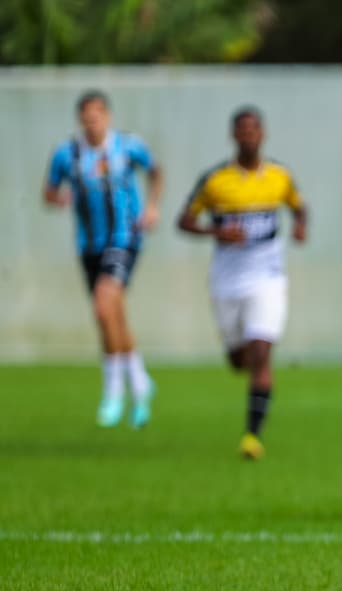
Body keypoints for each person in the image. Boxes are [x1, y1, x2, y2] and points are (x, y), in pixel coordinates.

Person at [179, 107, 307, 460]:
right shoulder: (216, 180)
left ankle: (252, 435)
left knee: (262, 351)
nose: (249, 135)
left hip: (267, 277)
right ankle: (254, 378)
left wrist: (299, 226)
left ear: (262, 134)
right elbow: (183, 220)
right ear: (233, 136)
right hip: (226, 280)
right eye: (242, 130)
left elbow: (299, 206)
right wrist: (217, 231)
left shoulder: (279, 176)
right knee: (240, 359)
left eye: (254, 129)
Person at [44, 90, 161, 429]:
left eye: (97, 114)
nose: (91, 120)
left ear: (107, 116)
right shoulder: (68, 154)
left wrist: (152, 206)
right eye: (86, 115)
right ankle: (140, 382)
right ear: (80, 119)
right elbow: (48, 190)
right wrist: (58, 198)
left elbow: (156, 171)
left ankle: (113, 391)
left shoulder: (128, 146)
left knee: (103, 305)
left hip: (124, 239)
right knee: (112, 316)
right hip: (89, 245)